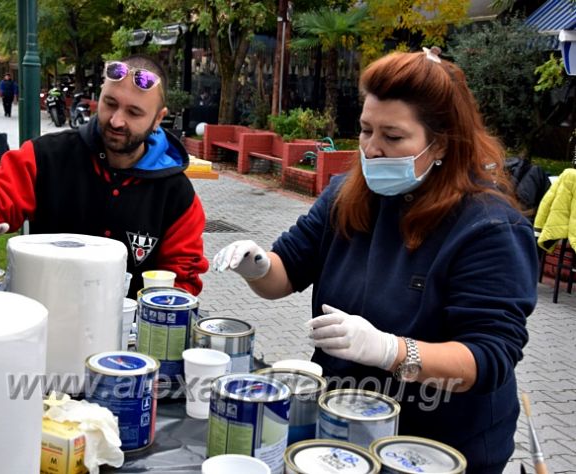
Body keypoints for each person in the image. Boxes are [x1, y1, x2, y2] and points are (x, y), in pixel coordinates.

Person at [213, 49, 537, 472]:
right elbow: (285, 273)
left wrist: (390, 351)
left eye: (393, 136)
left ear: (440, 141)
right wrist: (255, 264)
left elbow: (488, 357)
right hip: (346, 423)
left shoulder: (488, 227)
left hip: (439, 445)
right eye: (366, 130)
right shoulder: (349, 194)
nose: (372, 148)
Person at [0, 55, 209, 297]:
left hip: (127, 340)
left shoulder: (177, 194)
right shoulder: (47, 156)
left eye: (134, 112)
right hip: (46, 317)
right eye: (110, 103)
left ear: (158, 119)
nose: (116, 120)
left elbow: (183, 278)